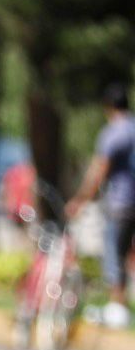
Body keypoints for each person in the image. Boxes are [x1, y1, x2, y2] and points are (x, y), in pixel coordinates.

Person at [67, 83, 135, 329]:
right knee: (126, 254)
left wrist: (80, 199)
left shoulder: (114, 132)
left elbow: (99, 169)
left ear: (108, 106)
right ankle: (120, 307)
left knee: (113, 255)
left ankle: (117, 310)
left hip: (120, 203)